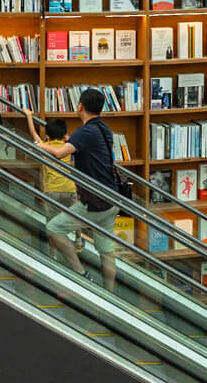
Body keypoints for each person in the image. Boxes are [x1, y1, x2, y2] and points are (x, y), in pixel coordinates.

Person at [30, 87, 120, 289]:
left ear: (80, 106)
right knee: (106, 250)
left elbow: (61, 153)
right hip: (111, 198)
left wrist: (40, 145)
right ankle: (109, 295)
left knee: (54, 228)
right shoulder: (105, 129)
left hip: (94, 202)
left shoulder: (85, 132)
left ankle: (80, 273)